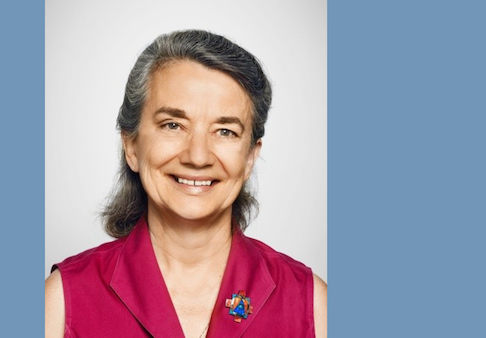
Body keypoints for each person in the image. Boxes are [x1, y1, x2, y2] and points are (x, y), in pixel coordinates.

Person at [45, 29, 327, 338]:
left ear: (249, 157)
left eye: (225, 131)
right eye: (173, 125)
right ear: (132, 146)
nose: (197, 156)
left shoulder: (310, 304)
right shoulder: (61, 301)